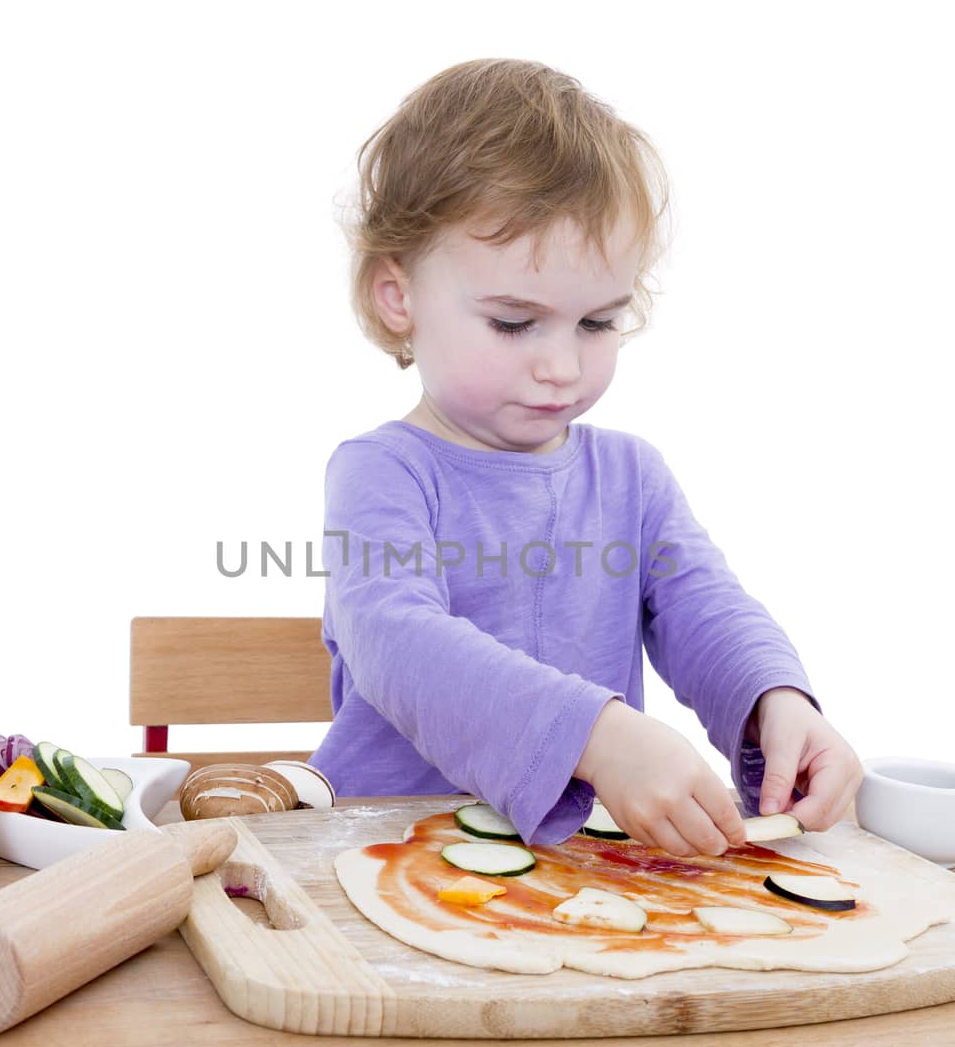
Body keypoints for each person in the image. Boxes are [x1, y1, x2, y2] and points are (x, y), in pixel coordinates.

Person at [308, 58, 862, 855]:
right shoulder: (382, 470)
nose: (562, 367)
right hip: (383, 849)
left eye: (597, 324)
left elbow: (706, 607)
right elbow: (395, 639)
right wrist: (595, 736)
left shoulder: (633, 476)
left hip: (574, 875)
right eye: (512, 323)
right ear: (397, 296)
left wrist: (777, 704)